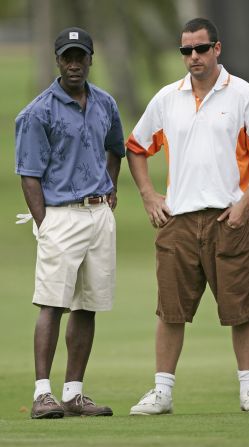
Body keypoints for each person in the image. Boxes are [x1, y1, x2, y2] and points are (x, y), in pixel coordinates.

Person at [126, 18, 249, 415]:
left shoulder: (243, 94)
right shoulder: (166, 98)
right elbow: (136, 147)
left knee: (241, 308)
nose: (193, 57)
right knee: (171, 310)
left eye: (200, 49)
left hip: (229, 219)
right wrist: (147, 195)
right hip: (178, 220)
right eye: (186, 51)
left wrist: (244, 205)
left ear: (217, 49)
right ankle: (162, 392)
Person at [15, 27, 125, 419]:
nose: (74, 64)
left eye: (80, 56)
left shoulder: (106, 104)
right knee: (52, 304)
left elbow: (116, 148)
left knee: (87, 305)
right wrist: (45, 224)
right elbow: (28, 174)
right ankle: (43, 393)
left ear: (90, 59)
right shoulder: (38, 111)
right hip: (59, 215)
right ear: (57, 60)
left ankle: (74, 394)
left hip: (99, 215)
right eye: (67, 57)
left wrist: (110, 190)